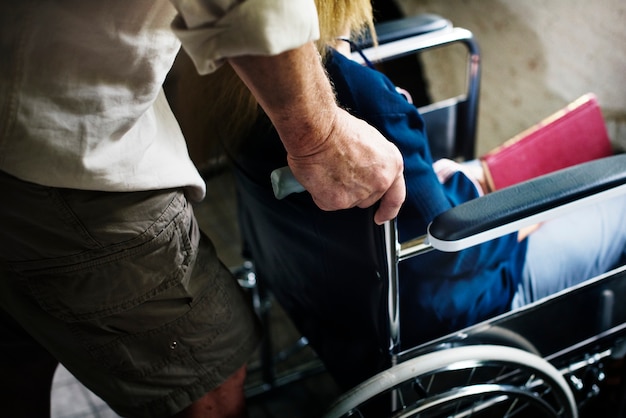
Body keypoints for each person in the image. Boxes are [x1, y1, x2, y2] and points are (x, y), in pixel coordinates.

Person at [184, 0, 626, 391]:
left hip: (311, 292)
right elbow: (455, 255)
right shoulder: (364, 108)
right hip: (445, 310)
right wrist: (520, 224)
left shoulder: (233, 82)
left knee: (468, 174)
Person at [0, 1, 407, 417]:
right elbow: (254, 9)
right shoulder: (365, 100)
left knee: (20, 340)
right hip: (60, 158)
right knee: (208, 376)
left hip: (28, 117)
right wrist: (321, 136)